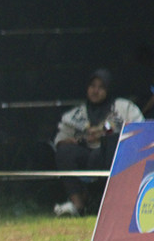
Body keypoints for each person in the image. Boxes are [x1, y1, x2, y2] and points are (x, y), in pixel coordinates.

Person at [53, 68, 144, 216]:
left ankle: (114, 203)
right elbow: (60, 138)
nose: (96, 91)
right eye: (92, 86)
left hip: (112, 156)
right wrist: (69, 141)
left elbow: (139, 130)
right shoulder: (77, 114)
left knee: (106, 148)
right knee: (65, 152)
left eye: (101, 87)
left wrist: (105, 135)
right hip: (86, 153)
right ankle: (77, 205)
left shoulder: (123, 108)